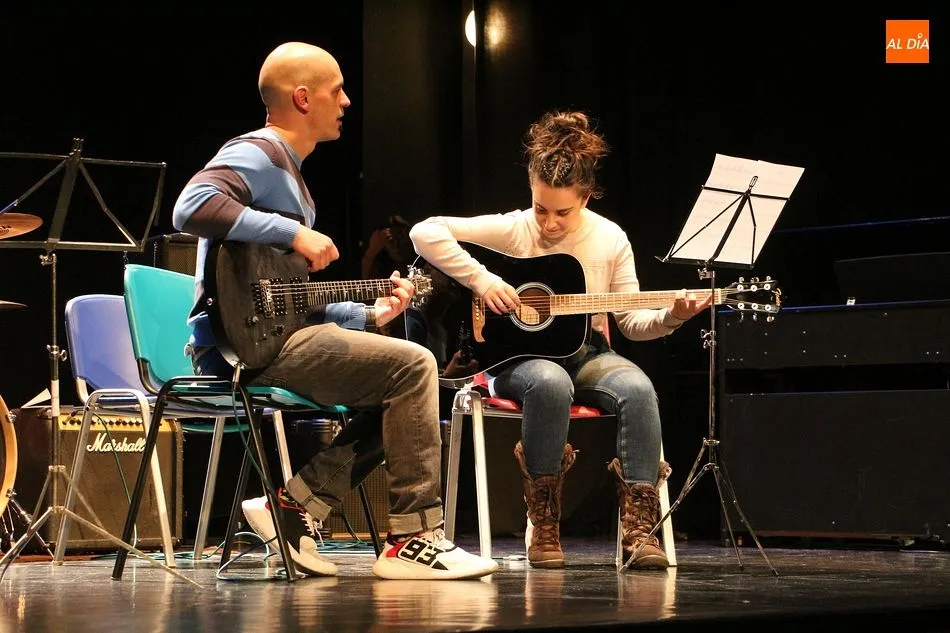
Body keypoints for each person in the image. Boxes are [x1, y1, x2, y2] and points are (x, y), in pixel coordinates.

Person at [171, 41, 497, 581]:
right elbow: (191, 206)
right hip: (240, 351)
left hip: (272, 339)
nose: (346, 102)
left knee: (405, 388)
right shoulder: (259, 152)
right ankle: (414, 539)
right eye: (336, 91)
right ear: (303, 98)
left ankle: (294, 505)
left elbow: (288, 302)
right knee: (413, 365)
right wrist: (293, 231)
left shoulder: (289, 174)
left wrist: (369, 316)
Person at [409, 110, 711, 570]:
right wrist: (484, 280)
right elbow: (424, 232)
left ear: (586, 197)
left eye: (563, 212)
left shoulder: (609, 238)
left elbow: (632, 322)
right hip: (515, 359)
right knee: (551, 381)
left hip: (586, 353)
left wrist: (673, 315)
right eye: (540, 208)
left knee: (638, 389)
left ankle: (639, 528)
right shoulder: (515, 228)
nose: (549, 223)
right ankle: (544, 521)